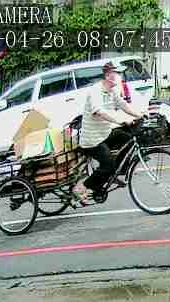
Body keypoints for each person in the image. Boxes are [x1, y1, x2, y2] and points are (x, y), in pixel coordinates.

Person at [73, 62, 142, 204]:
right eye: (118, 73)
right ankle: (81, 187)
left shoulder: (112, 90)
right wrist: (119, 120)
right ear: (108, 75)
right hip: (92, 140)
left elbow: (123, 104)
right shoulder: (95, 91)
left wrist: (139, 114)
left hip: (105, 133)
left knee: (128, 137)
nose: (120, 76)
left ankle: (115, 172)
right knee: (108, 165)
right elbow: (99, 111)